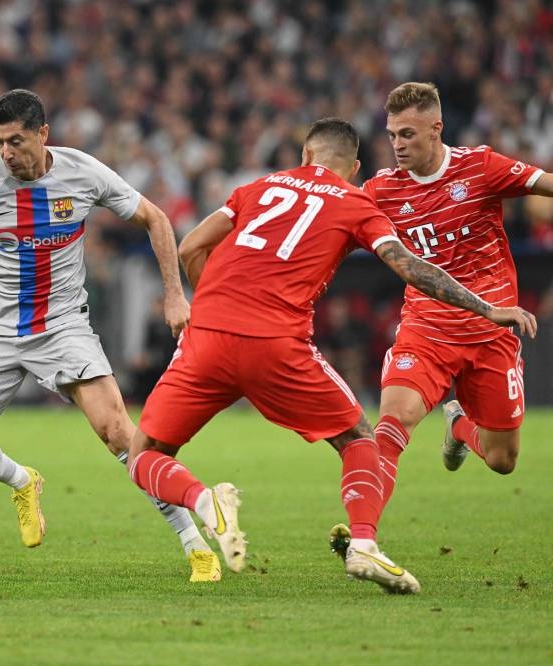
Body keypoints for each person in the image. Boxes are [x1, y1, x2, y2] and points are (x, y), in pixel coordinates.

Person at [125, 119, 537, 593]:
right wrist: (487, 307)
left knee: (144, 456)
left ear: (304, 155)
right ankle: (363, 544)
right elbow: (410, 268)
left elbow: (192, 244)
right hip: (276, 344)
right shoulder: (354, 200)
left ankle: (202, 501)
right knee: (359, 439)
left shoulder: (257, 187)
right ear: (355, 167)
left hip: (207, 337)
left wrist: (216, 303)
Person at [0, 89, 225, 583]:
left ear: (42, 134)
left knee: (121, 434)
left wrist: (174, 294)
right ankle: (21, 480)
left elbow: (155, 219)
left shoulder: (81, 172)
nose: (6, 153)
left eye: (15, 141)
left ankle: (194, 545)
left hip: (62, 327)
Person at [362, 82, 553, 515]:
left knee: (503, 460)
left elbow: (546, 184)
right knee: (392, 424)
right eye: (392, 135)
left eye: (407, 134)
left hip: (492, 332)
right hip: (426, 330)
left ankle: (459, 426)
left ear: (436, 128)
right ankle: (363, 540)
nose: (397, 145)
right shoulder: (383, 189)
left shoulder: (481, 167)